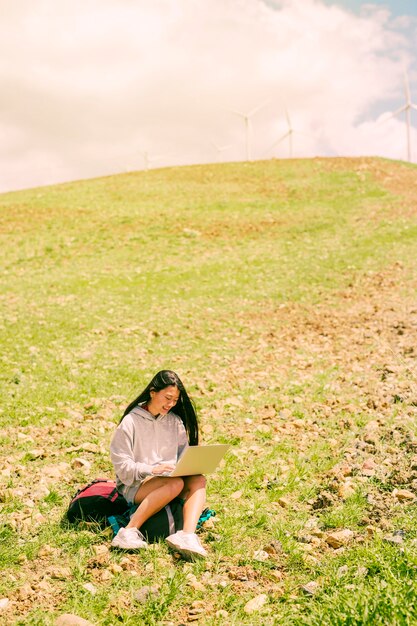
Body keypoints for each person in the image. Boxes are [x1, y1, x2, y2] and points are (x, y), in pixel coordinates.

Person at [110, 370, 208, 559]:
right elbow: (122, 468)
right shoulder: (130, 422)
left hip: (169, 479)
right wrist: (151, 470)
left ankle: (187, 536)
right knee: (175, 484)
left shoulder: (175, 421)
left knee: (198, 479)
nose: (171, 404)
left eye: (175, 400)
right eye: (167, 398)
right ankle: (128, 531)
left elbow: (183, 455)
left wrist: (192, 463)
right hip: (136, 485)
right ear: (153, 392)